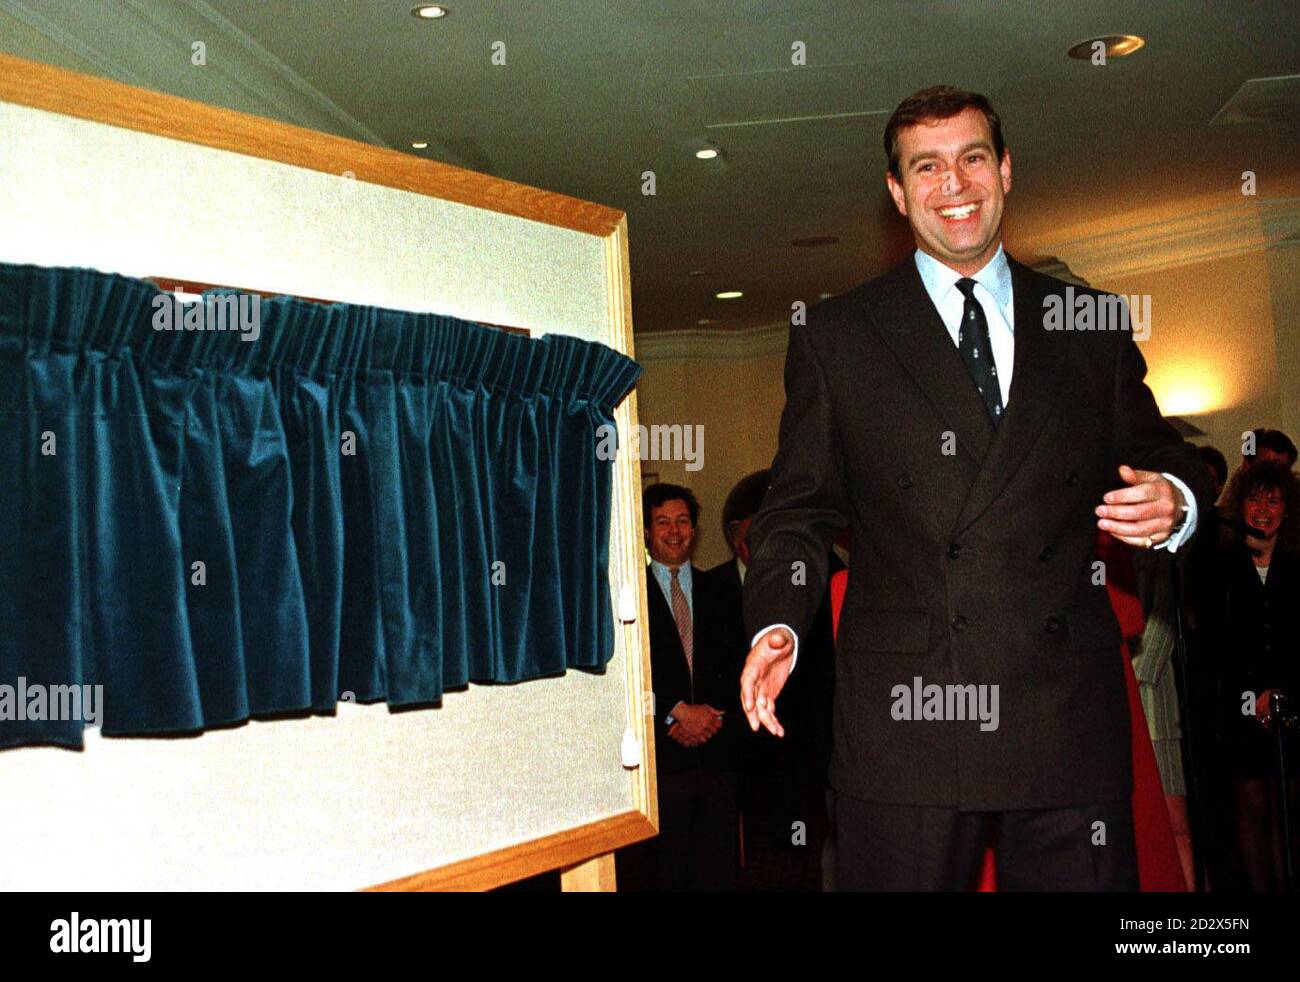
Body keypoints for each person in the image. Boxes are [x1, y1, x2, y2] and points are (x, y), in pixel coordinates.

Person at [739, 85, 1213, 891]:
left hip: (1063, 714)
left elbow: (1166, 450)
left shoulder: (1087, 321)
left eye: (972, 159)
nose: (952, 184)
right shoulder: (837, 336)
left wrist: (1176, 495)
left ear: (1005, 172)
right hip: (909, 720)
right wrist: (780, 620)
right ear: (897, 192)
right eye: (927, 167)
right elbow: (800, 509)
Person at [624, 483, 744, 890]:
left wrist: (708, 719)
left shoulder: (724, 591)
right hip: (662, 762)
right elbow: (630, 670)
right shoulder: (630, 594)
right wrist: (675, 711)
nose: (673, 531)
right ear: (645, 532)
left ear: (694, 530)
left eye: (682, 521)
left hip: (718, 759)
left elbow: (738, 666)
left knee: (718, 873)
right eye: (662, 522)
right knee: (667, 875)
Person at [1199, 460, 1300, 890]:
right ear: (1239, 505)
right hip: (1238, 713)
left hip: (1292, 711)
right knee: (1250, 817)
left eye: (1272, 500)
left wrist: (1282, 694)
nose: (1262, 509)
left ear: (1286, 508)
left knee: (1288, 823)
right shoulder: (1219, 565)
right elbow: (1214, 647)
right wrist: (1250, 697)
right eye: (1254, 499)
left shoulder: (1297, 565)